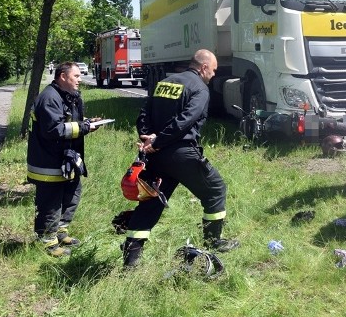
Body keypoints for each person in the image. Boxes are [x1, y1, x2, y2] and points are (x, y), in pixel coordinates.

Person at [121, 49, 239, 268]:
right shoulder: (200, 89)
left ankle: (130, 260)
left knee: (150, 203)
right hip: (180, 154)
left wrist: (147, 138)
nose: (213, 75)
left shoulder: (165, 82)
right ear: (203, 67)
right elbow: (184, 122)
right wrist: (156, 142)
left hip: (156, 157)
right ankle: (214, 242)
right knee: (215, 189)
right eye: (213, 70)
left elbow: (144, 113)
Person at [27, 62, 101, 257]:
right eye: (76, 76)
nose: (80, 79)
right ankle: (47, 243)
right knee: (51, 202)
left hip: (65, 159)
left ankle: (60, 232)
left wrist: (87, 123)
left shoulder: (67, 96)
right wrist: (84, 127)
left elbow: (68, 122)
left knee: (73, 193)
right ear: (62, 76)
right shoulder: (49, 98)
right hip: (49, 163)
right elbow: (54, 130)